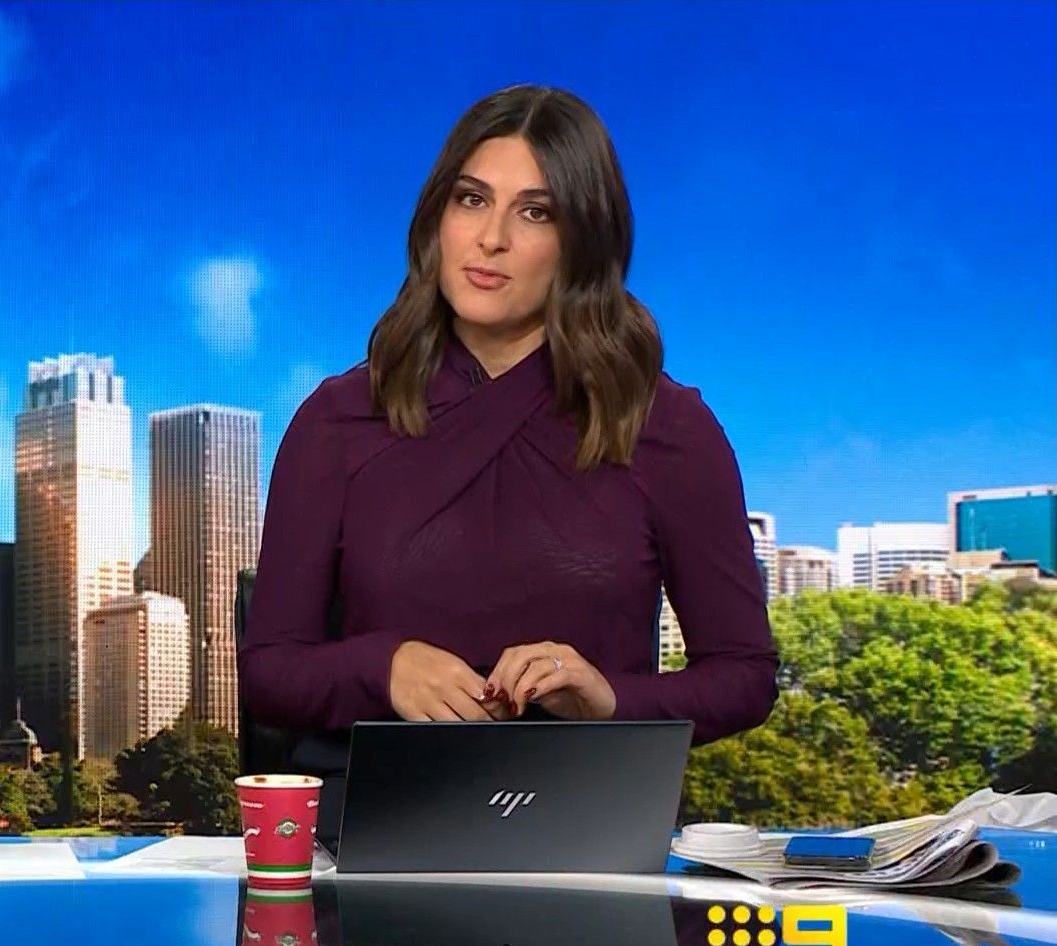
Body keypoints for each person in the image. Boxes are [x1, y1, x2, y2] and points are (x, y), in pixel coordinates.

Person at [238, 85, 777, 818]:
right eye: (472, 200)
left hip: (590, 838)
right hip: (372, 835)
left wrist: (609, 699)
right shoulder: (337, 421)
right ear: (437, 218)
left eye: (534, 212)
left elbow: (744, 676)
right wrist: (384, 669)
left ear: (583, 242)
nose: (490, 239)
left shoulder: (668, 428)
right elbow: (270, 672)